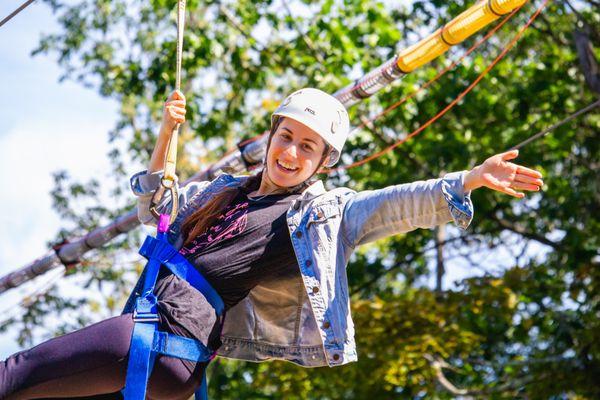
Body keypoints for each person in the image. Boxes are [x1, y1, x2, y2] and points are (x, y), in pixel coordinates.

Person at [0, 88, 543, 399]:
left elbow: (394, 203)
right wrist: (167, 133)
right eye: (286, 137)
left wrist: (467, 180)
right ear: (271, 137)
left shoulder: (318, 215)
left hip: (165, 338)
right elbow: (157, 207)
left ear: (323, 162)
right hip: (163, 353)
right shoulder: (219, 191)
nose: (291, 153)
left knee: (15, 373)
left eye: (308, 147)